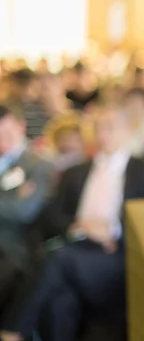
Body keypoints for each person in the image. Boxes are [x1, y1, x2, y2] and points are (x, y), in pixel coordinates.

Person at [3, 104, 144, 341]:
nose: (103, 135)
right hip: (76, 245)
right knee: (60, 295)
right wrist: (76, 224)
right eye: (98, 128)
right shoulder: (77, 172)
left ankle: (12, 330)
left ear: (127, 131)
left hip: (116, 255)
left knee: (56, 259)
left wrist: (113, 231)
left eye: (110, 128)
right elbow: (51, 216)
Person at [0, 105, 54, 340]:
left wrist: (15, 203)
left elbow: (25, 211)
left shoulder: (39, 164)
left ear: (21, 127)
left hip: (16, 246)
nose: (2, 140)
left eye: (7, 133)